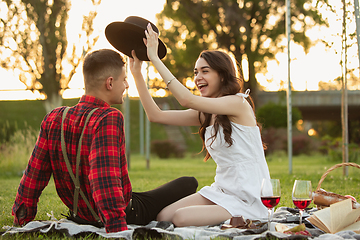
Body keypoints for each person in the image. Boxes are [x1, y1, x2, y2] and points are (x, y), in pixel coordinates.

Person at [12, 49, 198, 233]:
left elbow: (34, 175)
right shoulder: (108, 117)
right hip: (121, 214)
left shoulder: (54, 117)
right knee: (189, 183)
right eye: (124, 79)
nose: (126, 85)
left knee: (147, 195)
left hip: (78, 213)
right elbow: (104, 178)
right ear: (110, 82)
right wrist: (118, 228)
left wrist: (22, 216)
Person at [128, 23, 271, 227]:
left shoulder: (238, 103)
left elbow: (187, 100)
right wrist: (137, 75)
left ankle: (246, 219)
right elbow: (155, 115)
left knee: (180, 218)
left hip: (248, 196)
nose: (198, 78)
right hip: (222, 190)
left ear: (222, 75)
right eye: (196, 72)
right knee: (164, 216)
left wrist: (155, 59)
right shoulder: (206, 113)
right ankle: (229, 219)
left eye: (205, 71)